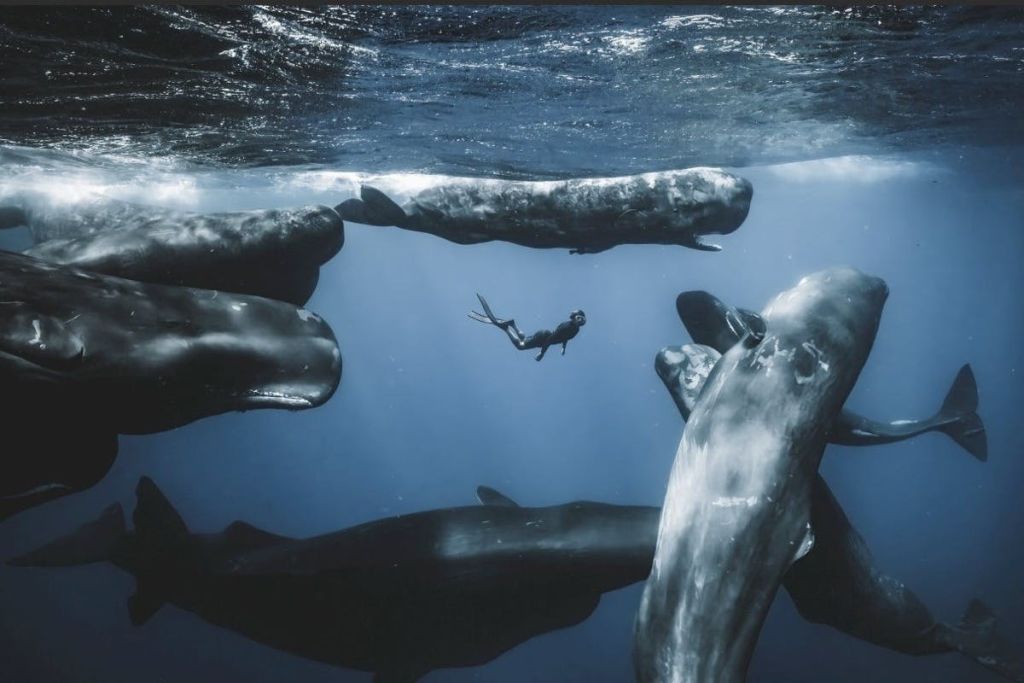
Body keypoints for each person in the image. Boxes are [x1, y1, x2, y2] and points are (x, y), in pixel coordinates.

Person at [468, 293, 586, 361]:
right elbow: (551, 339)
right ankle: (507, 327)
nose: (581, 320)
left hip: (543, 335)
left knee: (523, 340)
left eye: (583, 319)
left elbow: (565, 338)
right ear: (574, 318)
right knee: (520, 346)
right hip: (544, 338)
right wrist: (542, 354)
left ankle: (513, 325)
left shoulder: (575, 330)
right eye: (579, 317)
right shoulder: (567, 326)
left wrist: (563, 347)